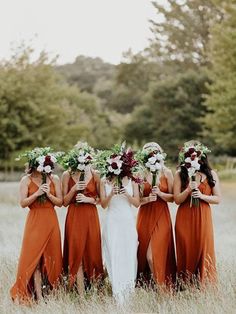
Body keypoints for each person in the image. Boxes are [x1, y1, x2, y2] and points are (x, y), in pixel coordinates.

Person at [10, 148, 62, 303]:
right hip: (34, 221)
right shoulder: (25, 180)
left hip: (51, 220)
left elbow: (60, 203)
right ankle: (38, 297)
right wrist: (37, 193)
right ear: (34, 165)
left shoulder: (55, 179)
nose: (43, 168)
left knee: (53, 258)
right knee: (34, 260)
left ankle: (54, 294)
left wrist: (49, 195)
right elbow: (22, 203)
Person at [174, 140, 221, 285]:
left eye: (197, 155)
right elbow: (176, 199)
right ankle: (185, 284)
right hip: (185, 217)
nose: (194, 158)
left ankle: (204, 285)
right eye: (191, 155)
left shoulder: (211, 173)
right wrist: (188, 190)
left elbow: (217, 199)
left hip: (203, 216)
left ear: (202, 155)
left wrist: (201, 196)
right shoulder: (179, 174)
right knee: (187, 250)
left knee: (203, 248)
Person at [62, 143, 103, 294]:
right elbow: (64, 202)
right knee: (76, 252)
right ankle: (80, 293)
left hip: (91, 216)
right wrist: (73, 189)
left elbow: (101, 200)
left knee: (92, 252)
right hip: (74, 216)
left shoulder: (96, 174)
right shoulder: (67, 174)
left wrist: (89, 200)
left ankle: (96, 290)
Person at [99, 147, 140, 304]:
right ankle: (117, 293)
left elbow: (136, 203)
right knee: (114, 254)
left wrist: (126, 194)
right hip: (112, 221)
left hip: (127, 221)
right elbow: (103, 205)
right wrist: (110, 194)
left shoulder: (133, 179)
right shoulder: (104, 181)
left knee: (129, 254)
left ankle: (129, 291)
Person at [137, 142, 176, 287]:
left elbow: (173, 197)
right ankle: (153, 287)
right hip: (145, 216)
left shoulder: (167, 173)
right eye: (148, 153)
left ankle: (163, 291)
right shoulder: (139, 174)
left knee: (152, 256)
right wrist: (147, 199)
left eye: (154, 152)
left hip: (161, 215)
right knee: (143, 255)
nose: (151, 155)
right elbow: (136, 200)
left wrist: (160, 193)